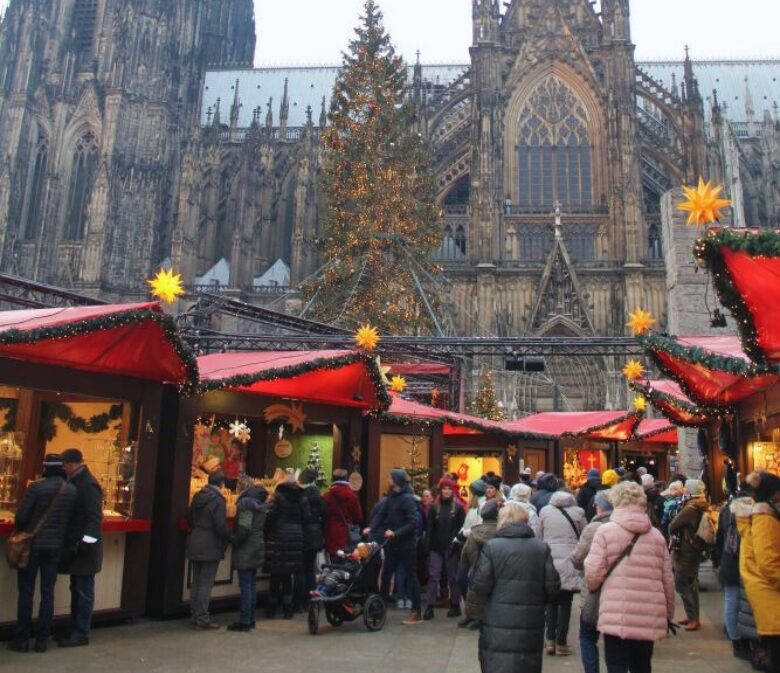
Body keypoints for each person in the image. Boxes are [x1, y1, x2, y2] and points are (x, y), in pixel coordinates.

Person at [584, 481, 676, 673]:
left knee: (616, 664)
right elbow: (667, 579)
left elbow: (593, 574)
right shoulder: (657, 537)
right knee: (642, 666)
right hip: (648, 612)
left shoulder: (605, 531)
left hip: (616, 610)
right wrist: (668, 613)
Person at [468, 501, 561, 673]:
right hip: (530, 621)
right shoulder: (541, 548)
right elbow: (553, 588)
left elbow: (480, 585)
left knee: (497, 664)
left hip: (497, 620)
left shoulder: (492, 547)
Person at [9, 454, 77, 653]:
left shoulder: (36, 488)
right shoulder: (71, 491)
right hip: (55, 548)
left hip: (32, 547)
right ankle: (41, 640)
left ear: (45, 468)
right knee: (48, 593)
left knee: (26, 593)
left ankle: (22, 638)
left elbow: (21, 517)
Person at [58, 448, 103, 647]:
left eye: (65, 464)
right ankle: (75, 628)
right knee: (76, 588)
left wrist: (86, 543)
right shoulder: (78, 481)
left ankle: (81, 631)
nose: (63, 467)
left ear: (72, 464)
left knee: (83, 589)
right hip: (79, 546)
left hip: (84, 549)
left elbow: (94, 518)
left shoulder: (87, 484)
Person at [735, 472, 780, 673]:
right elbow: (769, 563)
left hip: (766, 597)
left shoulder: (757, 517)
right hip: (772, 598)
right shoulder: (764, 518)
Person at [365, 468, 422, 625]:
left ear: (396, 480)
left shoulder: (408, 499)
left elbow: (413, 523)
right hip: (392, 543)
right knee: (385, 576)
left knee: (411, 576)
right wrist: (371, 527)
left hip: (406, 544)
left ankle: (416, 611)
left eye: (390, 477)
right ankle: (380, 609)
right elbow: (381, 514)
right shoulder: (392, 496)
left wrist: (396, 533)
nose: (388, 478)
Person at [539, 489, 586, 656]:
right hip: (569, 560)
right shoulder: (578, 512)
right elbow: (584, 535)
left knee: (551, 602)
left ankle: (549, 640)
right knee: (566, 603)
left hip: (550, 559)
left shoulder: (544, 511)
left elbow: (539, 535)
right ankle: (561, 642)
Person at [570, 490, 613, 673]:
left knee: (587, 637)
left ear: (598, 506)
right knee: (615, 643)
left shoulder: (593, 528)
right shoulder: (636, 528)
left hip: (595, 593)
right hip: (622, 594)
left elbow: (578, 559)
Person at [186, 470, 232, 630]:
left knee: (196, 581)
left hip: (196, 539)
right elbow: (220, 525)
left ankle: (194, 615)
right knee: (206, 583)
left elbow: (190, 517)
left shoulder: (198, 496)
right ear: (222, 484)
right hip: (210, 543)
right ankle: (203, 618)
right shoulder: (218, 500)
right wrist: (230, 536)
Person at [264, 471, 311, 619]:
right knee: (288, 574)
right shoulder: (302, 497)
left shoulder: (277, 497)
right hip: (296, 537)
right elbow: (307, 518)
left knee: (276, 574)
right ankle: (287, 609)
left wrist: (268, 530)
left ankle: (271, 609)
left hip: (279, 536)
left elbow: (270, 516)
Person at [712, 488, 751, 661]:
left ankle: (735, 634)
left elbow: (721, 536)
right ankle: (736, 636)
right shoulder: (742, 520)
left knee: (732, 600)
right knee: (735, 600)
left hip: (729, 563)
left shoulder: (728, 511)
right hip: (735, 565)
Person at [668, 478, 709, 631]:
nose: (684, 489)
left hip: (686, 551)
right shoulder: (699, 506)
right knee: (691, 583)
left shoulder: (690, 508)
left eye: (686, 488)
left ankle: (693, 618)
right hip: (693, 549)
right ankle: (693, 616)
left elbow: (673, 526)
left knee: (682, 583)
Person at [423, 477, 465, 620]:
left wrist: (457, 545)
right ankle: (430, 606)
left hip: (452, 548)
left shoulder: (458, 508)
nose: (446, 491)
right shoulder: (434, 508)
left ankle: (455, 605)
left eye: (449, 489)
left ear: (452, 490)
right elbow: (429, 529)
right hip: (436, 547)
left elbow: (461, 529)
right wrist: (427, 546)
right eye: (444, 489)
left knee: (452, 577)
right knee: (433, 576)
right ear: (440, 490)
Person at [227, 485, 268, 632]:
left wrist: (234, 539)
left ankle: (244, 620)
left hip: (246, 548)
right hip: (257, 545)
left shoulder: (246, 506)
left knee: (245, 585)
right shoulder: (262, 508)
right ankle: (250, 618)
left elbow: (244, 528)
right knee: (251, 584)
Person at [459, 498, 500, 630]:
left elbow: (466, 552)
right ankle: (482, 617)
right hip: (495, 569)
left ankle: (472, 615)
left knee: (473, 591)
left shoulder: (474, 532)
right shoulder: (501, 532)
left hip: (476, 567)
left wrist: (467, 565)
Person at [297, 468, 327, 610]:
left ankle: (300, 602)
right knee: (310, 569)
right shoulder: (319, 496)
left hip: (303, 534)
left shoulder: (300, 496)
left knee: (301, 569)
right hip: (315, 535)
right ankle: (310, 600)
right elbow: (324, 515)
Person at [323, 468, 362, 558]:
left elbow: (323, 515)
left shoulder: (327, 496)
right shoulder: (353, 496)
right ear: (346, 479)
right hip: (346, 534)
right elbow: (358, 518)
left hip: (330, 533)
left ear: (333, 479)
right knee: (346, 562)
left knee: (332, 563)